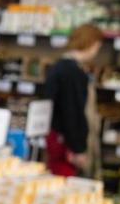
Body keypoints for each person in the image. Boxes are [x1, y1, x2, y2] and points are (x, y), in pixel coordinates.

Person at [43, 24, 104, 177]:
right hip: (64, 143)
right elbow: (73, 112)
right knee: (65, 186)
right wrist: (78, 148)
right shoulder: (73, 73)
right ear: (92, 44)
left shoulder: (59, 67)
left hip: (56, 138)